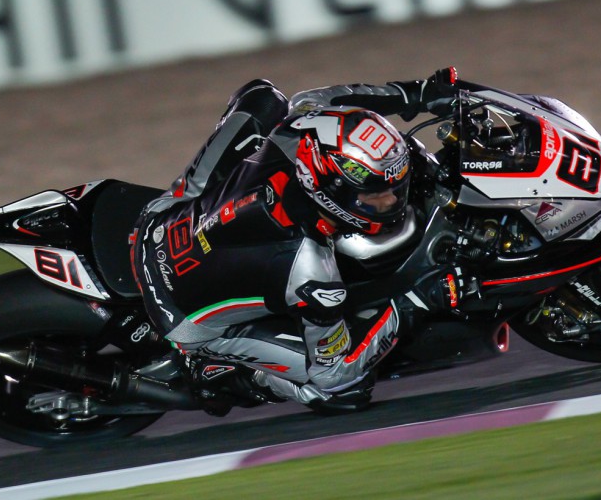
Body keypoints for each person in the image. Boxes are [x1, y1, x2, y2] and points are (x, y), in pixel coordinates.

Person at [131, 68, 465, 414]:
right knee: (343, 391)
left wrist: (417, 94)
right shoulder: (310, 268)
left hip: (161, 217)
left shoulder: (301, 125)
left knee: (263, 98)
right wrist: (418, 299)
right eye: (376, 196)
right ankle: (223, 370)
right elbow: (334, 372)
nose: (392, 202)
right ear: (333, 192)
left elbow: (330, 98)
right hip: (181, 317)